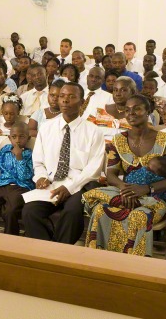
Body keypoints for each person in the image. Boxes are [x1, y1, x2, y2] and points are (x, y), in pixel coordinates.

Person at [84, 94, 166, 256]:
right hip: (126, 194)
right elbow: (111, 173)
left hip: (155, 197)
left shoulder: (164, 140)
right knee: (100, 210)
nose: (131, 113)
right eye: (127, 110)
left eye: (137, 109)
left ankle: (135, 268)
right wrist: (125, 188)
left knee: (138, 217)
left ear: (148, 111)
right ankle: (98, 261)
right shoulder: (118, 139)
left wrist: (146, 189)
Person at [22, 83, 105, 244]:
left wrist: (69, 188)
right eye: (62, 96)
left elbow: (93, 170)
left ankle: (61, 253)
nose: (65, 100)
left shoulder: (93, 131)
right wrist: (41, 176)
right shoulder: (46, 128)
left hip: (79, 186)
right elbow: (38, 161)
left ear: (82, 103)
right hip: (52, 184)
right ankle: (48, 252)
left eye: (71, 97)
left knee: (72, 212)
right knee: (29, 211)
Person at [0, 122, 34, 235]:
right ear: (9, 138)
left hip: (21, 187)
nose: (18, 140)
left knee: (10, 211)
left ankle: (10, 241)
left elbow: (25, 177)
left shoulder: (30, 155)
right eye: (14, 137)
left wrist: (19, 157)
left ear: (28, 138)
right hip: (1, 186)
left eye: (22, 136)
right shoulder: (4, 152)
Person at [88, 76, 135, 141]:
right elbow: (86, 133)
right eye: (115, 90)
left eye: (123, 90)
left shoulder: (138, 115)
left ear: (132, 92)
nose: (118, 94)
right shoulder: (98, 111)